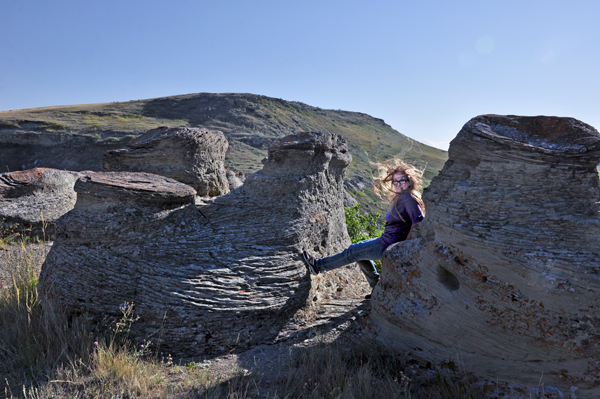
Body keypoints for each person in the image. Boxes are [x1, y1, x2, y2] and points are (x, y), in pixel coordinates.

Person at [302, 160, 425, 289]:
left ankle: (318, 266)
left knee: (353, 252)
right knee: (358, 252)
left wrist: (405, 244)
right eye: (396, 181)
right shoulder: (401, 197)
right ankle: (376, 285)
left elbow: (418, 221)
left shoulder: (408, 198)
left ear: (409, 181)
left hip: (389, 244)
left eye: (402, 181)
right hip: (387, 240)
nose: (399, 184)